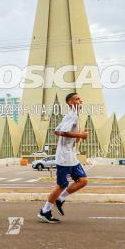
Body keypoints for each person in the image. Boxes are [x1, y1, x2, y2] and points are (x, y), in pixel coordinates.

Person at [38, 92, 89, 224]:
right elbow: (64, 133)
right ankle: (44, 212)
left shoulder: (71, 116)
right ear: (71, 103)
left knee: (83, 181)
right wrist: (80, 135)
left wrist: (77, 137)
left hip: (71, 156)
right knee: (62, 185)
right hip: (65, 157)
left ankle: (60, 199)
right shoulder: (72, 116)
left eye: (80, 98)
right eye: (78, 99)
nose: (81, 101)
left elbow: (57, 131)